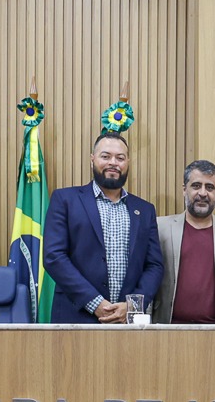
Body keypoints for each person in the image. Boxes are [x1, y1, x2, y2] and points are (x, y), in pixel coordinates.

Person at [43, 133, 163, 324]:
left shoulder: (145, 210)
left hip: (128, 321)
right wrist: (95, 303)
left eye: (120, 158)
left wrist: (131, 306)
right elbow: (54, 256)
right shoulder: (65, 200)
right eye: (105, 156)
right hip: (76, 317)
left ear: (128, 162)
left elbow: (154, 265)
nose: (113, 163)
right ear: (92, 159)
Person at [153, 160, 215, 324]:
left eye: (210, 187)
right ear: (184, 190)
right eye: (196, 186)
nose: (203, 193)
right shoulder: (161, 227)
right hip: (168, 329)